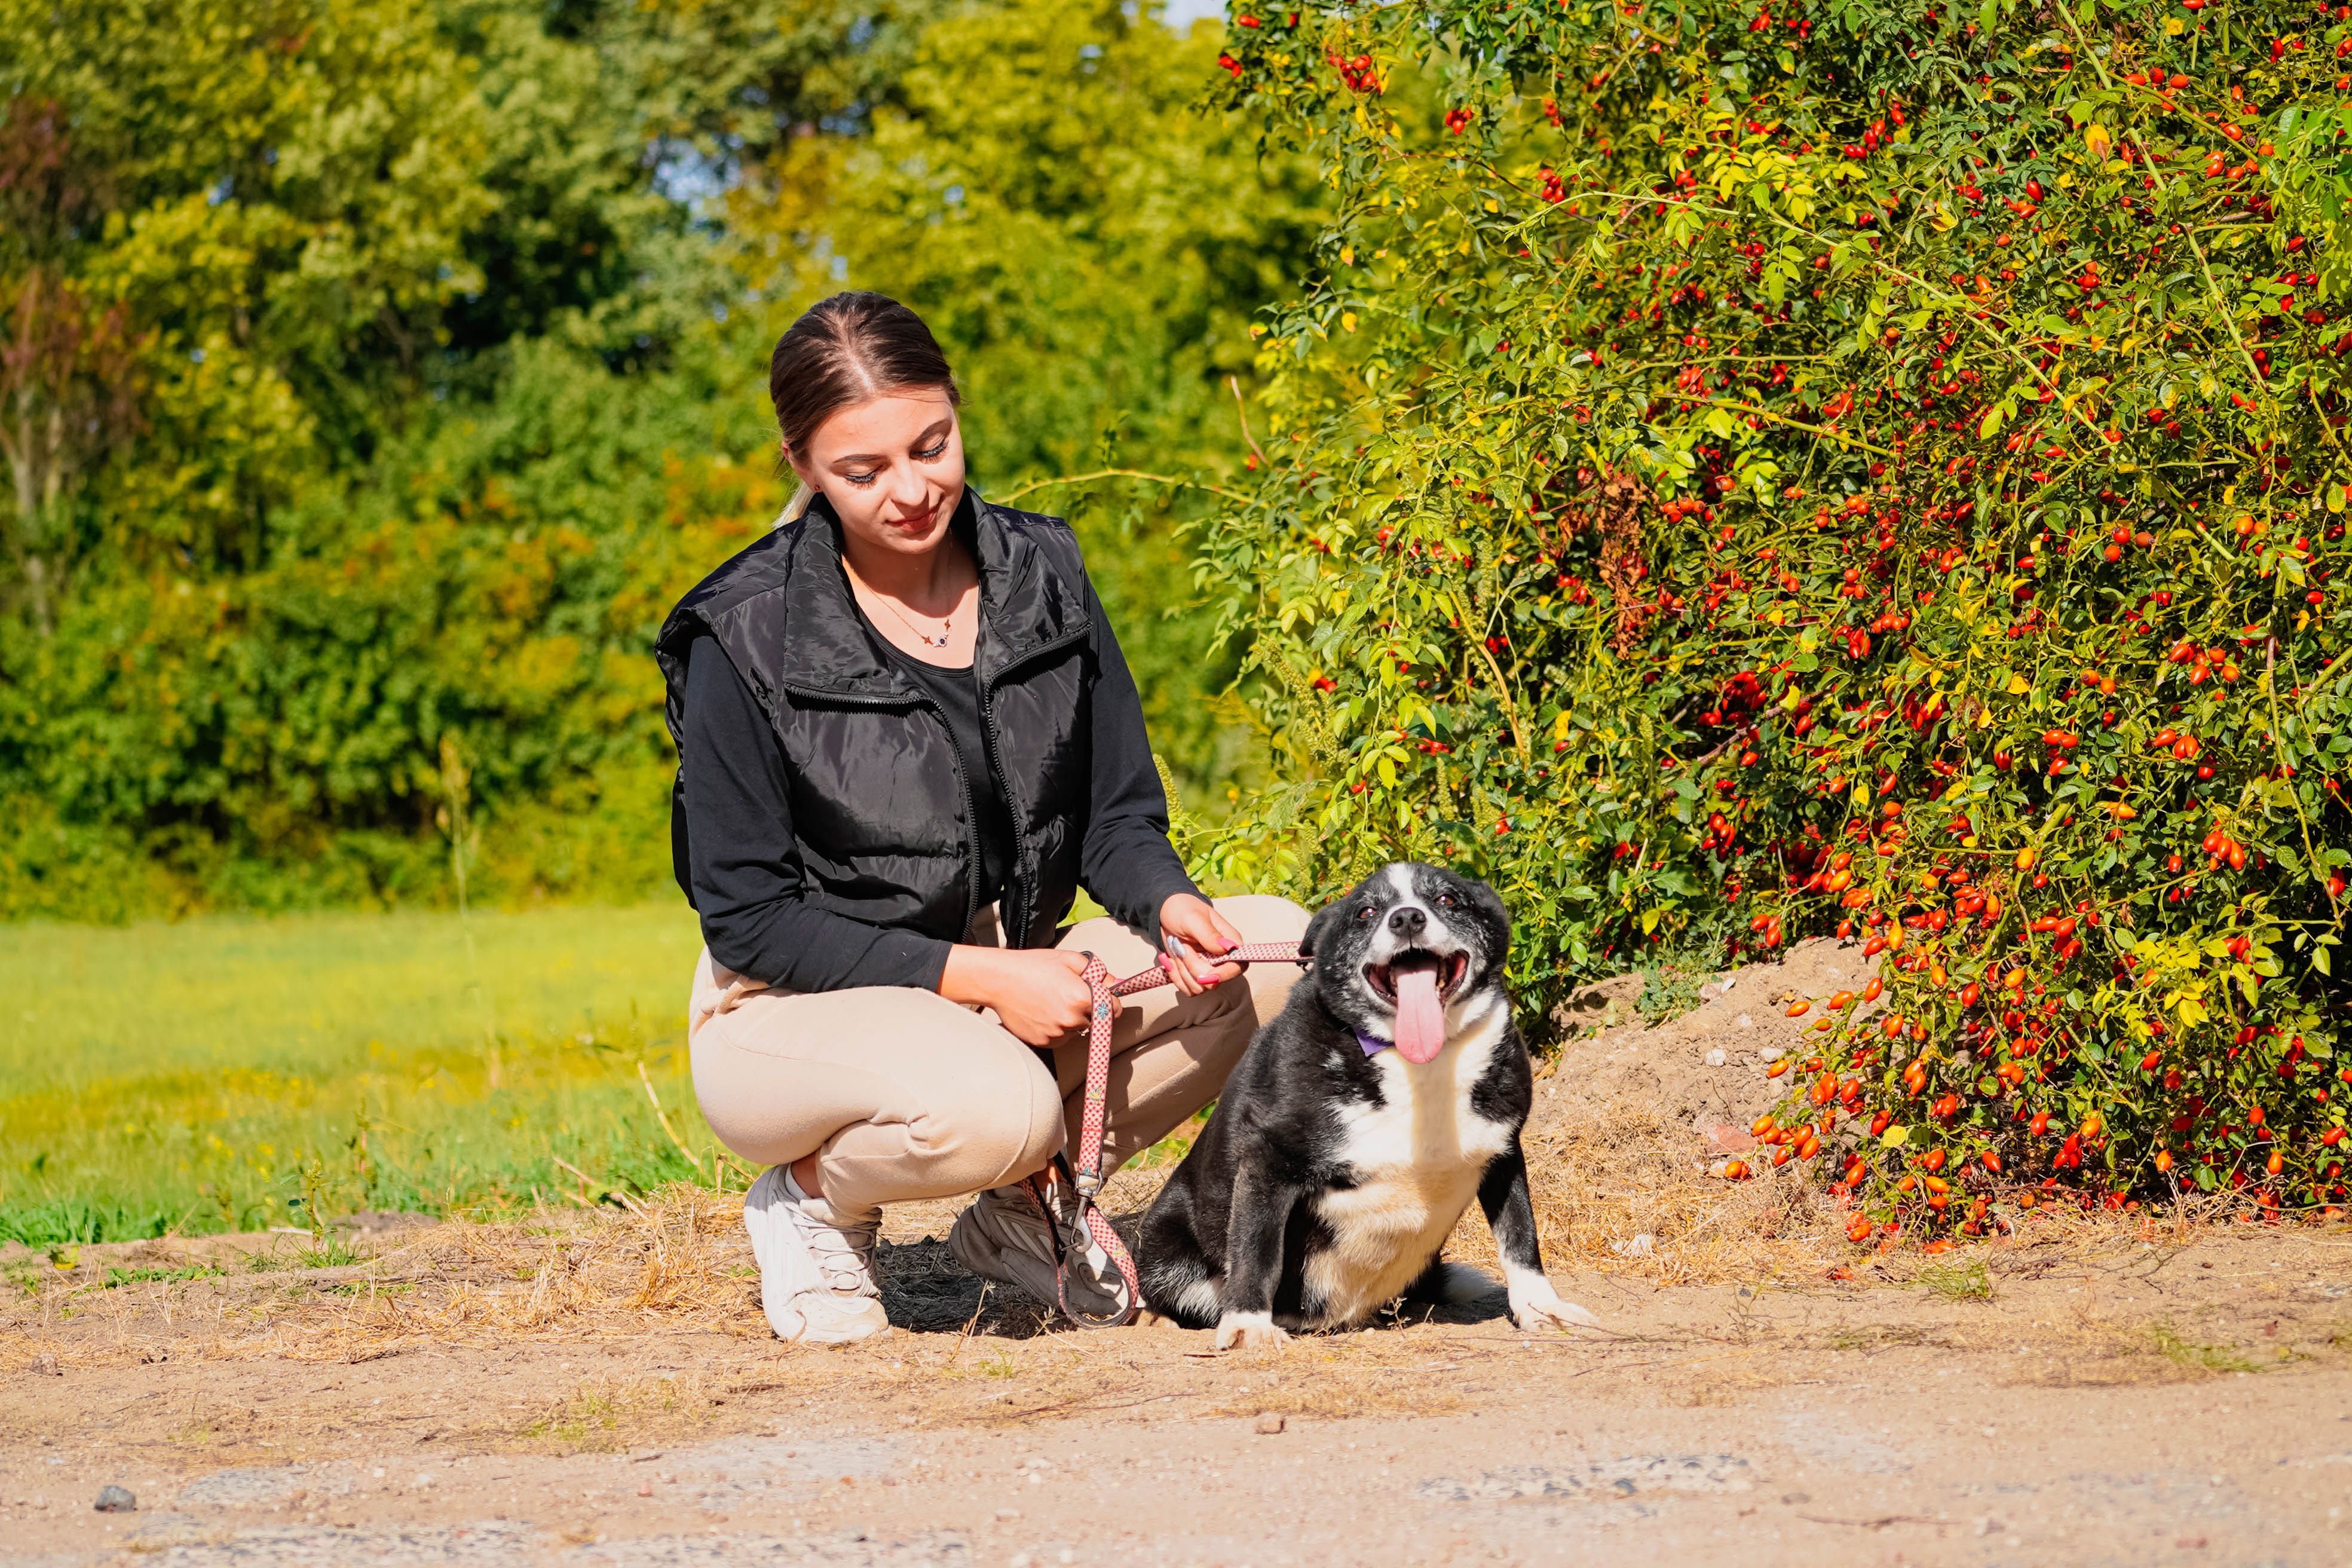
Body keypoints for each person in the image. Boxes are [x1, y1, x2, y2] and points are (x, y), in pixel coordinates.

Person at [654, 292, 1309, 1345]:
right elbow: (750, 919)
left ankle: (1020, 1213)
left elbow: (1116, 817)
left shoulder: (1045, 572)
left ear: (956, 408)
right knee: (1003, 1108)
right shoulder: (740, 634)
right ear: (802, 466)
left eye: (933, 445)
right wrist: (984, 977)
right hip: (783, 1006)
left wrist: (1167, 896)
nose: (913, 492)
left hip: (1005, 980)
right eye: (863, 473)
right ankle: (813, 1201)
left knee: (1268, 960)